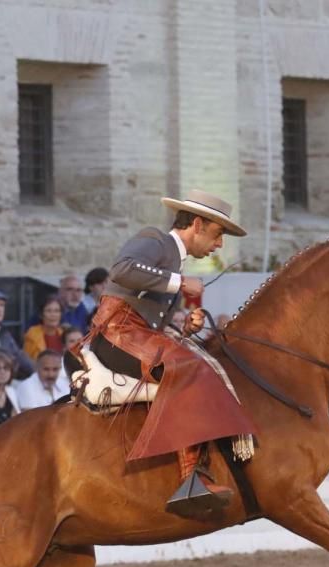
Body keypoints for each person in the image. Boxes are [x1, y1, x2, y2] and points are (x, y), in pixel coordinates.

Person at [85, 189, 257, 517]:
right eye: (218, 234)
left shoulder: (171, 255)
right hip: (117, 331)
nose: (219, 244)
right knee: (192, 368)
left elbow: (149, 315)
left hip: (132, 332)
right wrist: (179, 282)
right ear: (197, 224)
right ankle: (191, 476)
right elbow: (121, 270)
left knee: (199, 360)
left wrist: (184, 329)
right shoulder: (155, 239)